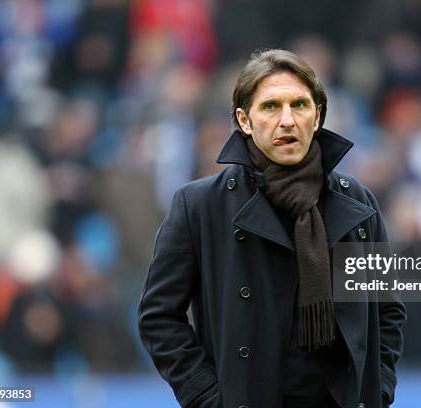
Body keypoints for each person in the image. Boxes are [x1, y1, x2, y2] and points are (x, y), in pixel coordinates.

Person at [138, 49, 406, 408]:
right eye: (270, 107)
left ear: (318, 115)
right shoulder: (199, 206)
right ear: (244, 120)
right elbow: (158, 317)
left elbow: (388, 311)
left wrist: (378, 389)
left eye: (299, 105)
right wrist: (205, 397)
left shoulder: (357, 201)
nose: (287, 120)